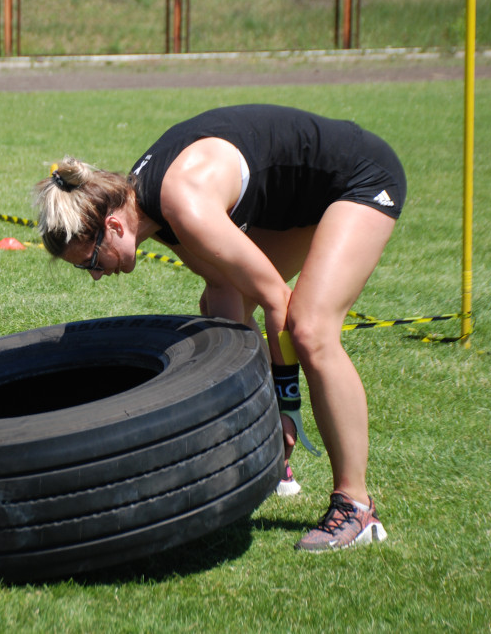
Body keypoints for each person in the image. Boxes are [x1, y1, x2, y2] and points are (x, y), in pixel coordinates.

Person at [32, 103, 405, 552]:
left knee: (309, 328)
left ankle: (357, 507)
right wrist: (247, 422)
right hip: (303, 199)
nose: (95, 275)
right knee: (216, 305)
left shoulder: (182, 203)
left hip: (359, 179)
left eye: (92, 260)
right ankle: (271, 457)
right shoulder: (149, 206)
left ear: (113, 226)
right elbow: (226, 291)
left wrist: (285, 405)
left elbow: (274, 298)